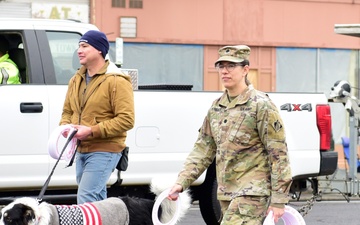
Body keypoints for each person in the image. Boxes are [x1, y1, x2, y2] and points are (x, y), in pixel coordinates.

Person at [168, 45, 292, 224]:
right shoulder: (217, 107)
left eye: (231, 66)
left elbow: (278, 154)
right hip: (226, 194)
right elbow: (203, 149)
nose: (224, 71)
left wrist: (279, 199)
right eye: (221, 66)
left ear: (245, 70)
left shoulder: (261, 105)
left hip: (252, 194)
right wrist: (181, 182)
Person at [59, 30, 135, 204]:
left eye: (85, 46)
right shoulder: (75, 79)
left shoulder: (117, 80)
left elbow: (126, 119)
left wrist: (91, 131)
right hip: (81, 149)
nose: (79, 50)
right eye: (79, 46)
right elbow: (68, 111)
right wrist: (65, 127)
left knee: (86, 199)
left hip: (105, 149)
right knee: (98, 203)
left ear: (100, 50)